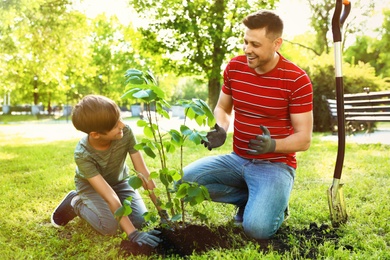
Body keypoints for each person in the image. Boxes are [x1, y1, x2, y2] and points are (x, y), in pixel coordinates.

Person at [182, 10, 313, 239]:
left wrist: (272, 145)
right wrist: (221, 128)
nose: (246, 49)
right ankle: (257, 199)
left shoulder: (296, 80)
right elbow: (223, 108)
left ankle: (273, 204)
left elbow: (304, 139)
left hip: (275, 165)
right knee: (184, 183)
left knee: (256, 229)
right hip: (237, 159)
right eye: (245, 42)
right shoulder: (235, 67)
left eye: (255, 44)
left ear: (276, 44)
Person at [51, 94, 161, 248]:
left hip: (120, 181)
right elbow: (109, 196)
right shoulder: (83, 154)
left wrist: (163, 213)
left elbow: (142, 171)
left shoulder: (126, 133)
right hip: (91, 187)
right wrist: (133, 234)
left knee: (141, 221)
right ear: (95, 134)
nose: (122, 125)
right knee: (110, 227)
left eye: (120, 119)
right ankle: (75, 202)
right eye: (115, 125)